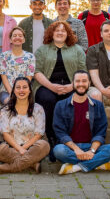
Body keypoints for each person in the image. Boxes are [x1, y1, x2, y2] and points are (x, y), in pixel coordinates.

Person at [33, 21, 87, 157]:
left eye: (63, 31)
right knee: (47, 99)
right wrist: (51, 86)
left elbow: (83, 71)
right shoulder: (42, 49)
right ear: (51, 33)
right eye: (57, 30)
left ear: (68, 34)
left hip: (71, 85)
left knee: (72, 100)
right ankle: (52, 139)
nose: (60, 33)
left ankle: (68, 139)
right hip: (47, 85)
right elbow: (37, 71)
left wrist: (71, 86)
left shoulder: (77, 49)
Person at [52, 70, 110, 174]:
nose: (81, 84)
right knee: (58, 151)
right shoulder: (61, 105)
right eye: (77, 81)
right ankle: (98, 163)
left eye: (84, 81)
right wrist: (76, 150)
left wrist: (91, 151)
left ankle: (77, 167)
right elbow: (60, 133)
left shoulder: (98, 105)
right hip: (70, 147)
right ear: (73, 83)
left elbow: (101, 132)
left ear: (89, 83)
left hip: (91, 146)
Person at [0, 77, 50, 174]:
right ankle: (31, 164)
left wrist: (24, 148)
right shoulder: (6, 109)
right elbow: (5, 134)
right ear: (13, 90)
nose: (21, 90)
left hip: (31, 148)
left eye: (24, 87)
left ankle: (8, 168)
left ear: (30, 90)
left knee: (44, 145)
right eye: (18, 87)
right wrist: (19, 148)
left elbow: (39, 134)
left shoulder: (38, 109)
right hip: (11, 148)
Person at [0, 27, 36, 103]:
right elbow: (3, 77)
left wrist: (21, 92)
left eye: (20, 36)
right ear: (10, 40)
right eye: (14, 36)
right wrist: (12, 93)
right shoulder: (3, 56)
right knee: (10, 102)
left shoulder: (30, 57)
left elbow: (28, 78)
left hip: (25, 91)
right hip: (7, 91)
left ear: (24, 40)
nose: (17, 37)